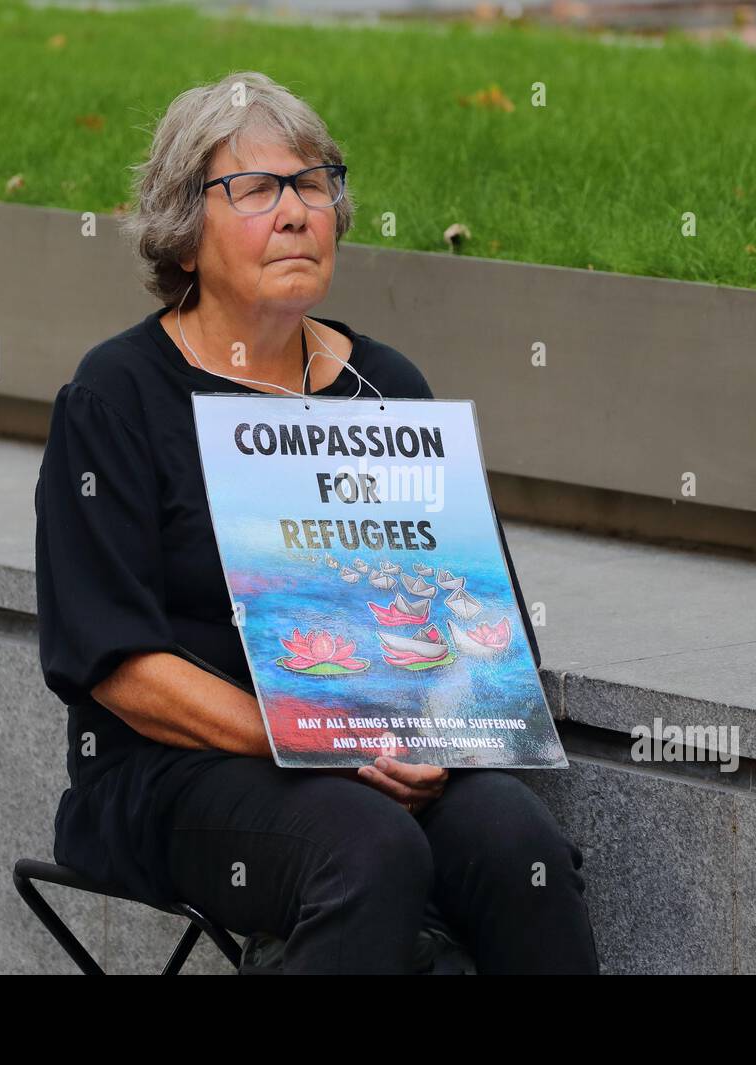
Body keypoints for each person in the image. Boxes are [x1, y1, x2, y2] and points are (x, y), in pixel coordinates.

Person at [33, 70, 598, 974]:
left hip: (387, 754)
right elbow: (118, 667)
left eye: (312, 184)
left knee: (517, 851)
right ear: (184, 236)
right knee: (369, 850)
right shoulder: (118, 396)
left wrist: (436, 744)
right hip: (178, 764)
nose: (296, 210)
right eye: (254, 189)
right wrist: (307, 739)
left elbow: (481, 631)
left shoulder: (389, 389)